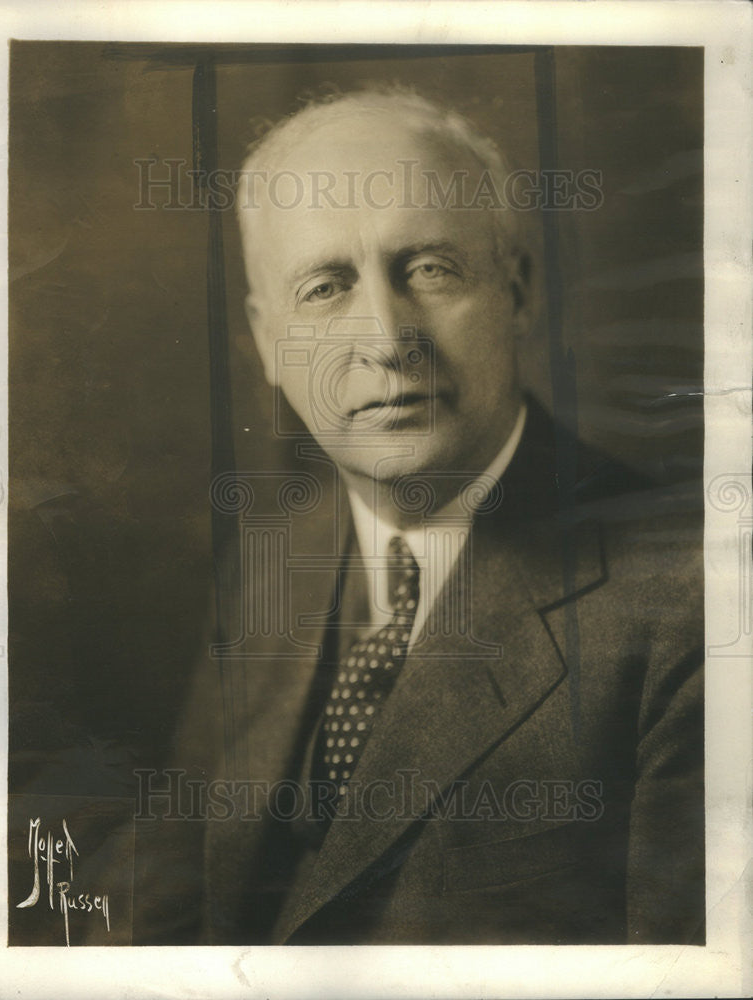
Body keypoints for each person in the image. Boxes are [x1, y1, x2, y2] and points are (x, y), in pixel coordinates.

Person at [167, 88, 704, 946]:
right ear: (268, 343)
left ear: (517, 293)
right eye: (324, 287)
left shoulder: (694, 603)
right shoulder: (270, 562)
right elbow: (175, 874)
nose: (385, 337)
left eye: (430, 270)